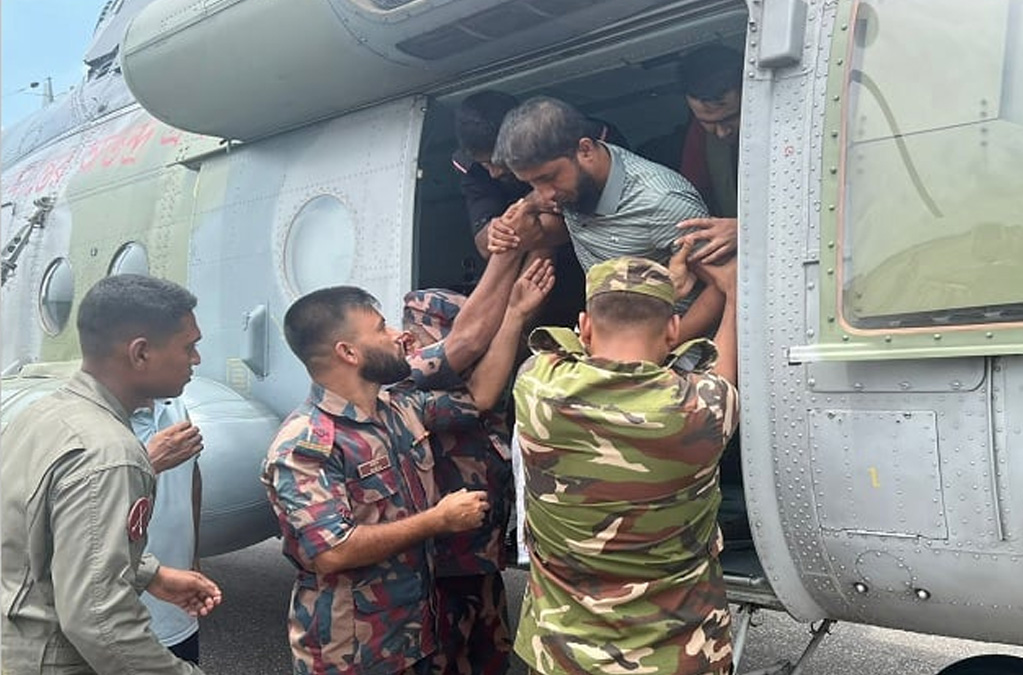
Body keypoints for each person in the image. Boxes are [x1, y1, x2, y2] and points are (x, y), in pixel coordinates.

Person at [261, 260, 553, 675]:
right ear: (348, 352)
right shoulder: (306, 443)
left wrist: (515, 315)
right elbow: (331, 551)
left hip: (414, 635)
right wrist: (437, 520)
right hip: (353, 653)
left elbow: (479, 397)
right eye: (381, 329)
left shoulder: (398, 409)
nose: (398, 335)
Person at [511, 255, 740, 675]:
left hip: (563, 657)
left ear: (585, 327)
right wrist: (734, 295)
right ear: (673, 329)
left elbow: (566, 352)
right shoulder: (706, 407)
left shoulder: (535, 387)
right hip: (681, 657)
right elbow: (719, 373)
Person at [0, 274, 222, 674]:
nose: (196, 360)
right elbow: (100, 621)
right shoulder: (110, 453)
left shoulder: (40, 415)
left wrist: (152, 575)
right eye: (188, 347)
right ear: (141, 353)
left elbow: (51, 539)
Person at [398, 269, 552, 675]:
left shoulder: (476, 376)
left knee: (489, 655)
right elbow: (479, 397)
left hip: (480, 556)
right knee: (440, 659)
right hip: (438, 563)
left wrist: (515, 313)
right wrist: (513, 313)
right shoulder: (403, 387)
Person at [490, 96, 725, 340]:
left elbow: (722, 285)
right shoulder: (573, 187)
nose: (545, 194)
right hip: (611, 339)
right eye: (532, 183)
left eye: (548, 178)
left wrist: (661, 348)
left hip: (673, 347)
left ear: (585, 150)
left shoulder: (661, 202)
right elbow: (546, 212)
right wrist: (516, 219)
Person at [453, 90, 621, 328]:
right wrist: (511, 221)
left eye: (498, 161)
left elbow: (594, 214)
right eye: (485, 164)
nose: (494, 172)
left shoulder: (585, 141)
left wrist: (530, 214)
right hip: (533, 282)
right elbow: (485, 243)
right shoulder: (474, 169)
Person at [639, 44, 745, 264]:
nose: (721, 132)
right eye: (708, 122)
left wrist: (743, 230)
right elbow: (694, 197)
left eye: (730, 119)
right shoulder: (699, 136)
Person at [136, 399, 205, 664]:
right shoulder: (91, 420)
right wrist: (148, 463)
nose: (196, 359)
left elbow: (192, 475)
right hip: (122, 621)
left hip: (179, 612)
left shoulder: (173, 403)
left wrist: (193, 555)